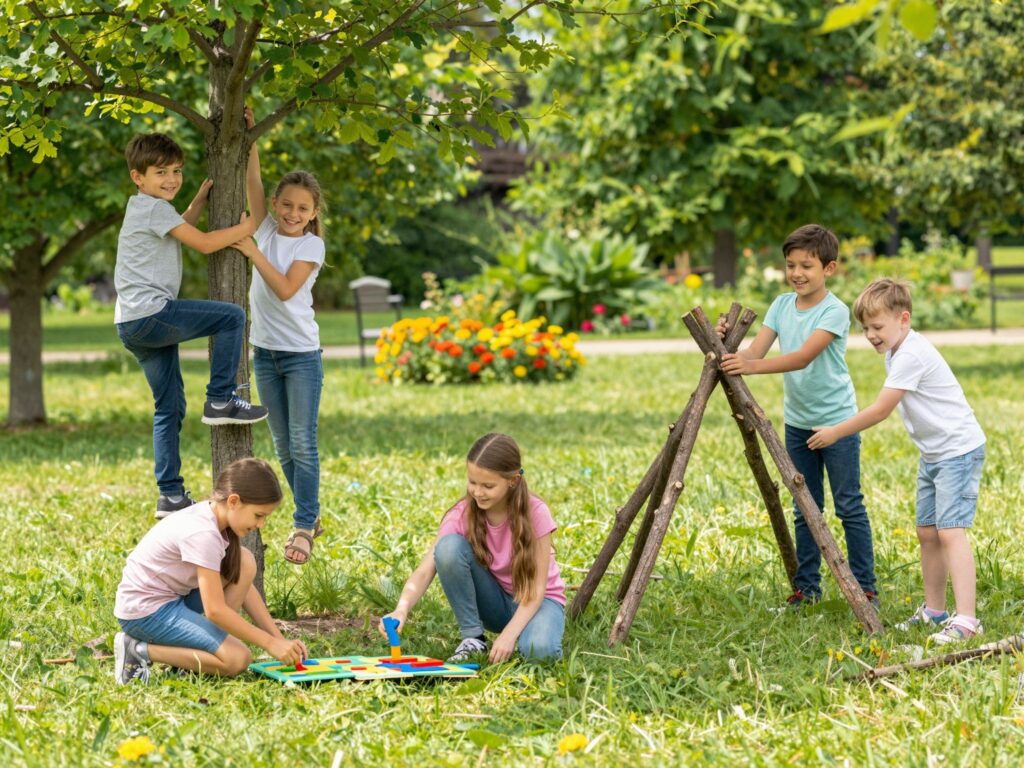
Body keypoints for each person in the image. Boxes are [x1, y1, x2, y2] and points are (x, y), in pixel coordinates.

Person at [807, 279, 985, 644]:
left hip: (958, 450)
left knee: (951, 531)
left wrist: (836, 431)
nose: (870, 335)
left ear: (903, 319)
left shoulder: (911, 354)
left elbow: (881, 410)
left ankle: (967, 619)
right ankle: (935, 611)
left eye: (877, 327)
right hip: (934, 453)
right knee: (927, 532)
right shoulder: (895, 350)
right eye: (865, 328)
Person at [717, 224, 878, 609]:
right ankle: (807, 589)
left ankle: (866, 588)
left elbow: (804, 356)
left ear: (830, 268)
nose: (797, 274)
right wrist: (726, 342)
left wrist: (751, 369)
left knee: (848, 505)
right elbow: (753, 352)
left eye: (807, 265)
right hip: (798, 424)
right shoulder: (780, 305)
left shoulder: (834, 311)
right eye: (791, 265)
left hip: (837, 424)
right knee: (805, 506)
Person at [115, 133, 269, 520]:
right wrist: (247, 227)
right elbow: (200, 243)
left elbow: (181, 230)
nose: (171, 178)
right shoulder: (152, 208)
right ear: (138, 176)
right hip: (151, 314)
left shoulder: (147, 209)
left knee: (168, 407)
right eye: (161, 172)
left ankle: (170, 495)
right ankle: (220, 398)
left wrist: (198, 201)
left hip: (131, 323)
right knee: (231, 316)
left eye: (177, 171)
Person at [113, 457, 308, 684]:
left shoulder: (217, 520)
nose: (261, 524)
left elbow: (243, 587)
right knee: (238, 659)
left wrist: (279, 638)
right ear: (234, 501)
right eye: (259, 515)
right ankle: (137, 649)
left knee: (244, 562)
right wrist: (269, 644)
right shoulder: (203, 533)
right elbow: (215, 610)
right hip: (145, 613)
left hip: (173, 600)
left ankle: (197, 656)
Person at [232, 107, 327, 565]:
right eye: (286, 204)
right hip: (265, 353)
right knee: (284, 446)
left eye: (302, 208)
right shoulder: (266, 224)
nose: (292, 213)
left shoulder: (311, 244)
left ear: (313, 215)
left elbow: (287, 288)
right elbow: (253, 178)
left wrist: (252, 252)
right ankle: (311, 512)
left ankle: (306, 522)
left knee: (303, 442)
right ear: (276, 204)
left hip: (301, 356)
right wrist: (250, 135)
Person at [379, 433, 566, 663]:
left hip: (539, 601)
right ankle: (473, 638)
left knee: (540, 653)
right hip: (495, 602)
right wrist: (402, 608)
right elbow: (425, 570)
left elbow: (536, 591)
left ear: (513, 481)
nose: (477, 492)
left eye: (488, 486)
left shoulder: (535, 512)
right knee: (447, 549)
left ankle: (529, 636)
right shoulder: (462, 513)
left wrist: (509, 635)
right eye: (473, 482)